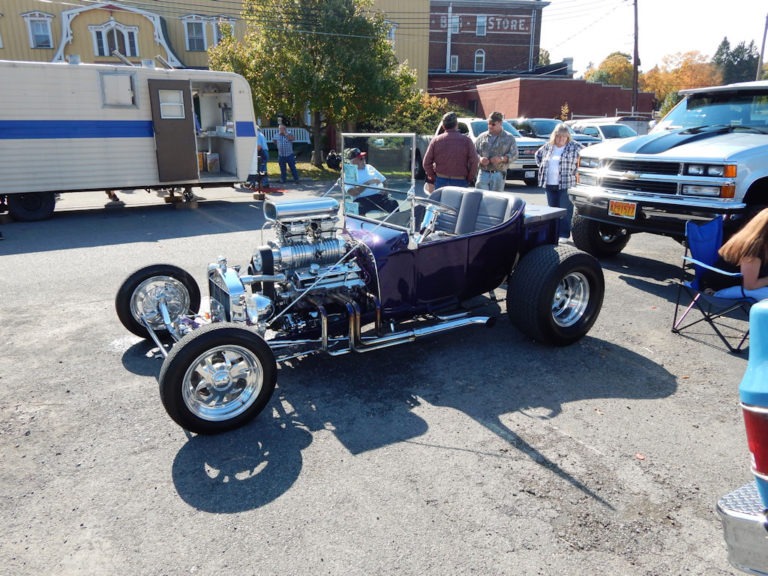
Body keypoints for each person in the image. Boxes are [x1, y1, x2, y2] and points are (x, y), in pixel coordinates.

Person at [534, 123, 582, 240]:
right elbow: (537, 155)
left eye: (564, 136)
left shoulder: (575, 146)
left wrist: (576, 170)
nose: (561, 139)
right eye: (558, 136)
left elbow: (585, 157)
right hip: (549, 183)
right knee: (552, 211)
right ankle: (553, 234)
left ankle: (564, 234)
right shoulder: (548, 146)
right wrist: (542, 167)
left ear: (568, 137)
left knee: (565, 210)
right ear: (554, 136)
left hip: (566, 184)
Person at [715, 208, 768, 300]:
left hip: (746, 286)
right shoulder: (753, 248)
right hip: (720, 290)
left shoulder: (760, 241)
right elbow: (750, 285)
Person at [423, 112, 479, 192]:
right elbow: (475, 161)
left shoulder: (436, 140)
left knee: (440, 204)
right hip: (460, 180)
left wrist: (432, 176)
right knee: (456, 204)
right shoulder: (467, 141)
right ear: (456, 124)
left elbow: (426, 162)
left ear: (443, 126)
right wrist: (470, 177)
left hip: (441, 179)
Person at [343, 148, 399, 215]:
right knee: (358, 209)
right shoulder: (349, 173)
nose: (364, 160)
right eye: (361, 158)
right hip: (361, 199)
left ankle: (393, 223)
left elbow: (384, 180)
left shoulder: (369, 167)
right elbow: (352, 193)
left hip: (378, 196)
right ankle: (362, 225)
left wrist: (385, 189)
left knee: (393, 203)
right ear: (353, 162)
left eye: (364, 157)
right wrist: (368, 183)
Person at [474, 111, 517, 192]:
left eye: (493, 124)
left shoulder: (509, 138)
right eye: (488, 123)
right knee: (480, 198)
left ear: (500, 123)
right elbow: (474, 152)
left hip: (498, 174)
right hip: (483, 173)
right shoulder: (481, 137)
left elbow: (515, 154)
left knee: (495, 201)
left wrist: (502, 159)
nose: (490, 126)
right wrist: (480, 159)